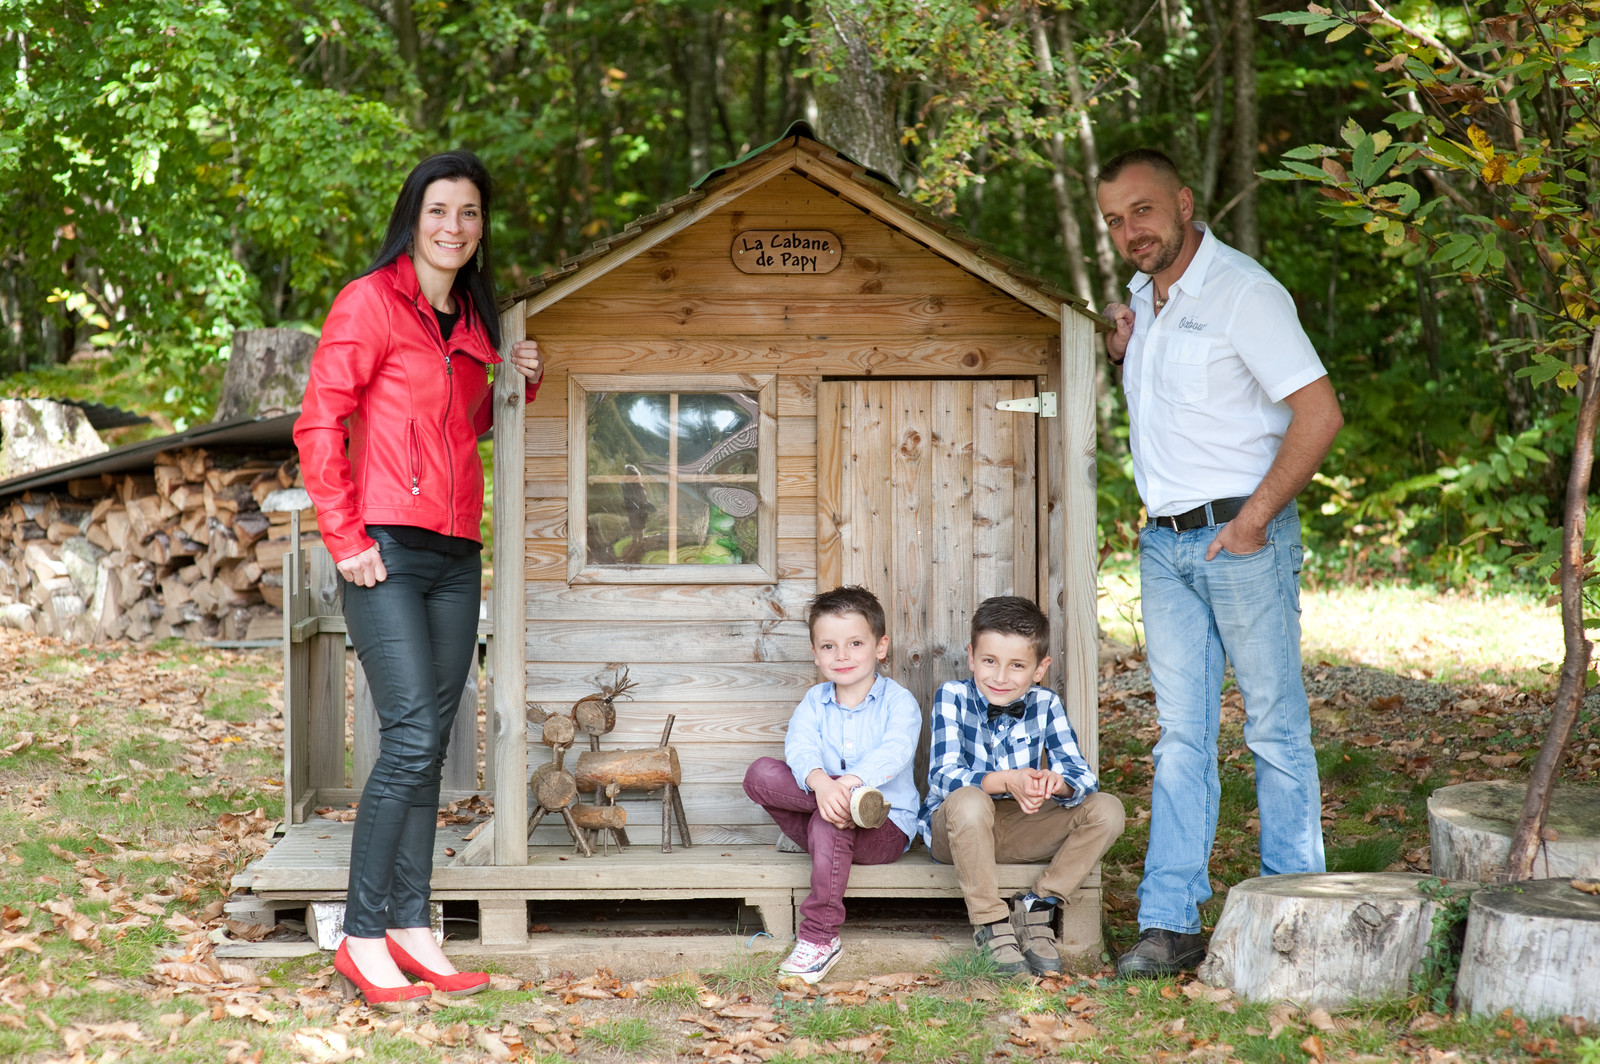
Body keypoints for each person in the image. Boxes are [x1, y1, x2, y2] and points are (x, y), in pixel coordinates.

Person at [294, 150, 544, 1010]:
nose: (453, 226)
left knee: (431, 741)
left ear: (481, 228)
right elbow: (320, 422)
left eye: (468, 212)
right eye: (439, 210)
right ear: (414, 217)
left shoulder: (473, 323)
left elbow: (463, 424)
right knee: (407, 737)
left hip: (455, 552)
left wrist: (518, 380)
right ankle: (362, 935)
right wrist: (345, 537)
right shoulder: (369, 301)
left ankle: (409, 923)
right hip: (385, 550)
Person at [1095, 148, 1344, 978]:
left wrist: (1253, 522)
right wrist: (1121, 352)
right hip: (1164, 547)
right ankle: (1169, 924)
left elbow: (1319, 413)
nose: (1130, 232)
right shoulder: (1143, 303)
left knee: (1272, 725)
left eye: (1142, 211)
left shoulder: (1244, 292)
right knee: (1180, 738)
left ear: (1183, 202)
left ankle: (1295, 916)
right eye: (1114, 220)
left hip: (1241, 538)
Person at [919, 596, 1125, 978]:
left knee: (1107, 809)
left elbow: (1082, 775)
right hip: (958, 829)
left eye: (1016, 665)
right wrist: (1007, 780)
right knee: (969, 801)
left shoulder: (1046, 703)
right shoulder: (953, 696)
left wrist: (1057, 784)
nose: (1000, 677)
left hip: (1019, 827)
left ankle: (1037, 907)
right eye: (989, 661)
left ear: (1040, 668)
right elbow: (943, 775)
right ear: (971, 657)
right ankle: (990, 923)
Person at [742, 585, 921, 984]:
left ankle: (820, 938)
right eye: (829, 646)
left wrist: (850, 784)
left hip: (884, 828)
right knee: (760, 773)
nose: (842, 655)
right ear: (815, 653)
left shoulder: (899, 701)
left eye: (855, 643)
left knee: (830, 819)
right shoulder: (814, 701)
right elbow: (800, 747)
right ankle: (830, 811)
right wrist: (822, 783)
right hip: (824, 800)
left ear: (880, 646)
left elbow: (895, 751)